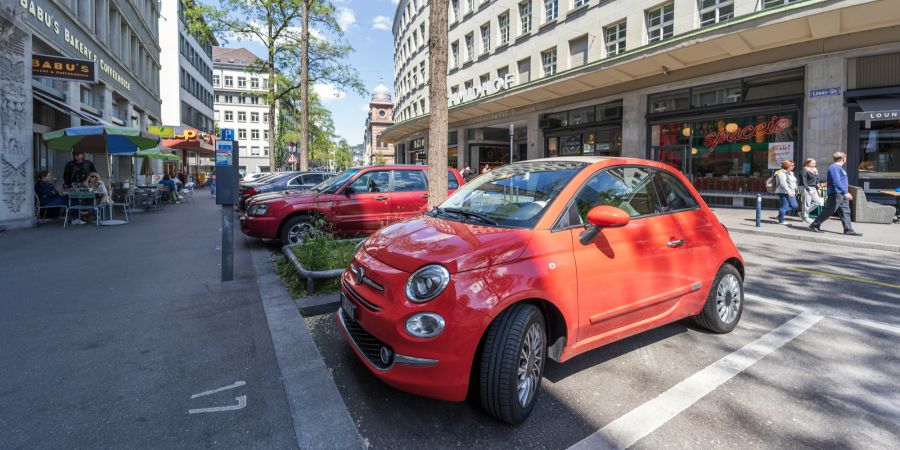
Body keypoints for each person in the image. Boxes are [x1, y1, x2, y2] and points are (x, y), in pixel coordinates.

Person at [809, 152, 862, 236]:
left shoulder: (839, 168)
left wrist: (844, 192)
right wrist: (845, 192)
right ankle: (814, 225)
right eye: (846, 158)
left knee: (845, 211)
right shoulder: (834, 167)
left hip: (841, 193)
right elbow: (836, 181)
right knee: (830, 210)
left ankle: (848, 229)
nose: (846, 160)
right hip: (836, 193)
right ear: (843, 159)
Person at [774, 160, 798, 224]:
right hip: (783, 192)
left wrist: (794, 190)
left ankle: (780, 214)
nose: (793, 166)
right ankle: (781, 220)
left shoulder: (790, 173)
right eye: (792, 165)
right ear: (787, 166)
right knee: (784, 206)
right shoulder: (781, 173)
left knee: (794, 206)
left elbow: (793, 182)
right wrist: (789, 191)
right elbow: (783, 183)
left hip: (791, 192)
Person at [799, 158, 822, 224]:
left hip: (813, 188)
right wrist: (808, 189)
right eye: (812, 163)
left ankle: (802, 213)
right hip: (806, 187)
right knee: (806, 203)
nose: (814, 164)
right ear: (807, 163)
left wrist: (817, 186)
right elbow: (804, 181)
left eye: (814, 163)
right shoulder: (804, 170)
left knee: (817, 202)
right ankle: (805, 217)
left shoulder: (814, 170)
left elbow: (816, 180)